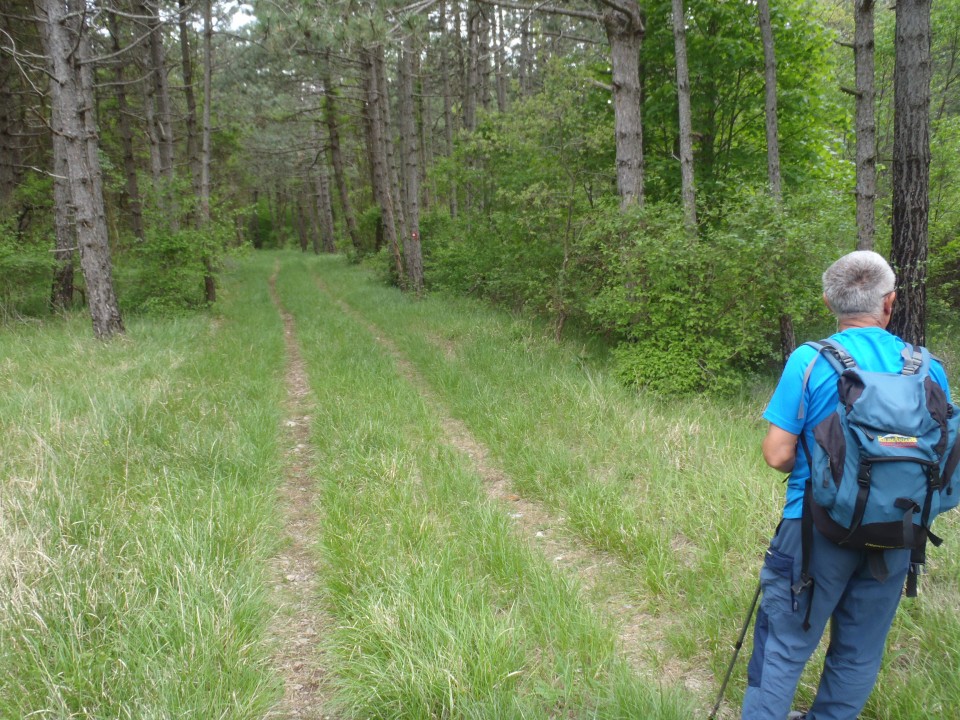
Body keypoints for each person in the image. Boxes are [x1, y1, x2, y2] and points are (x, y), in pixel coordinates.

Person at [741, 250, 951, 720]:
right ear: (890, 303)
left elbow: (777, 454)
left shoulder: (810, 361)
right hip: (898, 531)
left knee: (784, 646)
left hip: (814, 531)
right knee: (858, 652)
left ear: (828, 302)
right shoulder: (928, 368)